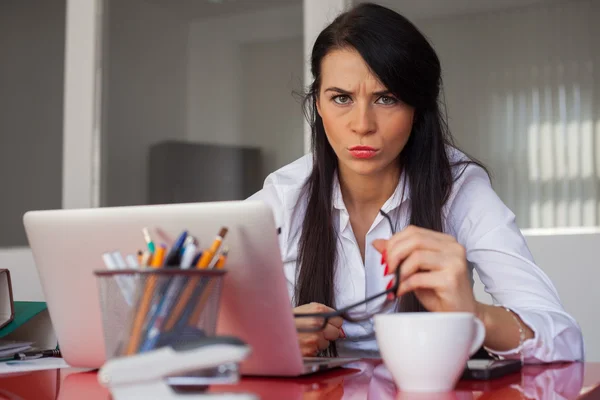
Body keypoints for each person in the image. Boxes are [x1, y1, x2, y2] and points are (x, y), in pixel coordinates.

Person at [248, 2, 583, 362]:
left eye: (386, 98)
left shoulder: (457, 187)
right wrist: (272, 339)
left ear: (416, 108)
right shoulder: (283, 196)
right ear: (318, 104)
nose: (362, 124)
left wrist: (474, 313)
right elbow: (191, 336)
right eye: (341, 98)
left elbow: (565, 343)